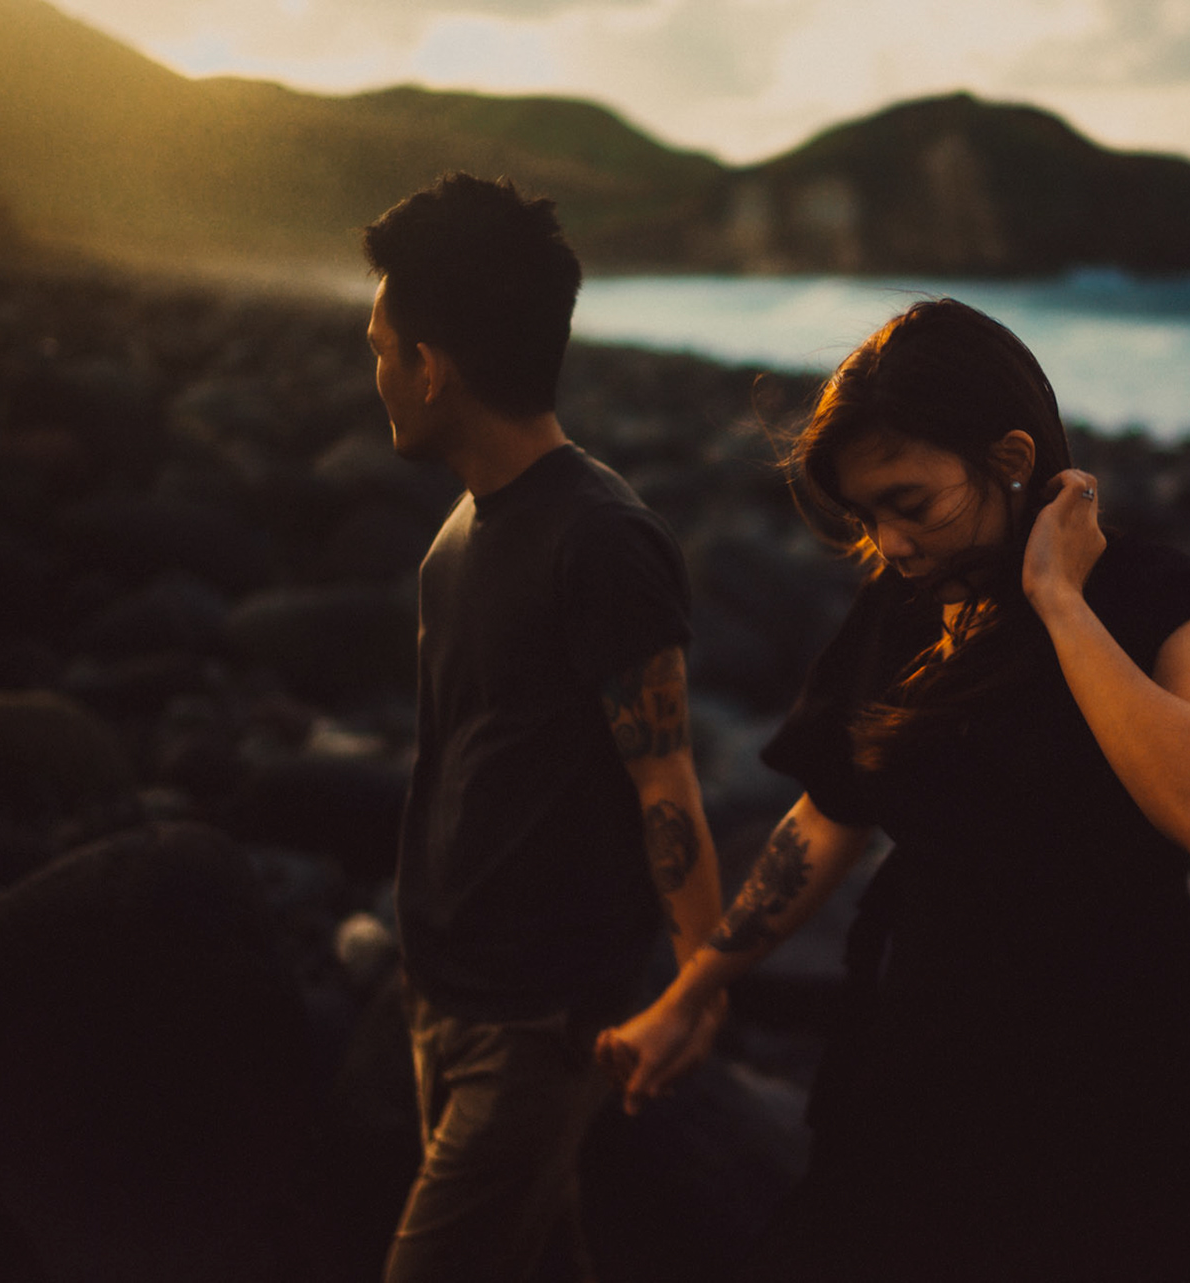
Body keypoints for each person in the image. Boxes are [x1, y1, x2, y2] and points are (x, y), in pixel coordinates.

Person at [596, 299, 1190, 1282]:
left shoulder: (1168, 601)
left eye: (912, 504)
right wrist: (694, 992)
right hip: (912, 1067)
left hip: (1102, 1103)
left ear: (1009, 456)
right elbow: (826, 817)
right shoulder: (901, 611)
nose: (893, 542)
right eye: (870, 516)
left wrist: (1060, 602)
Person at [362, 172, 725, 1283]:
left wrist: (698, 984)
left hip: (539, 1025)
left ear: (434, 364)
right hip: (448, 998)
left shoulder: (601, 541)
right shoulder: (459, 535)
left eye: (380, 345)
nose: (373, 370)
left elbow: (665, 779)